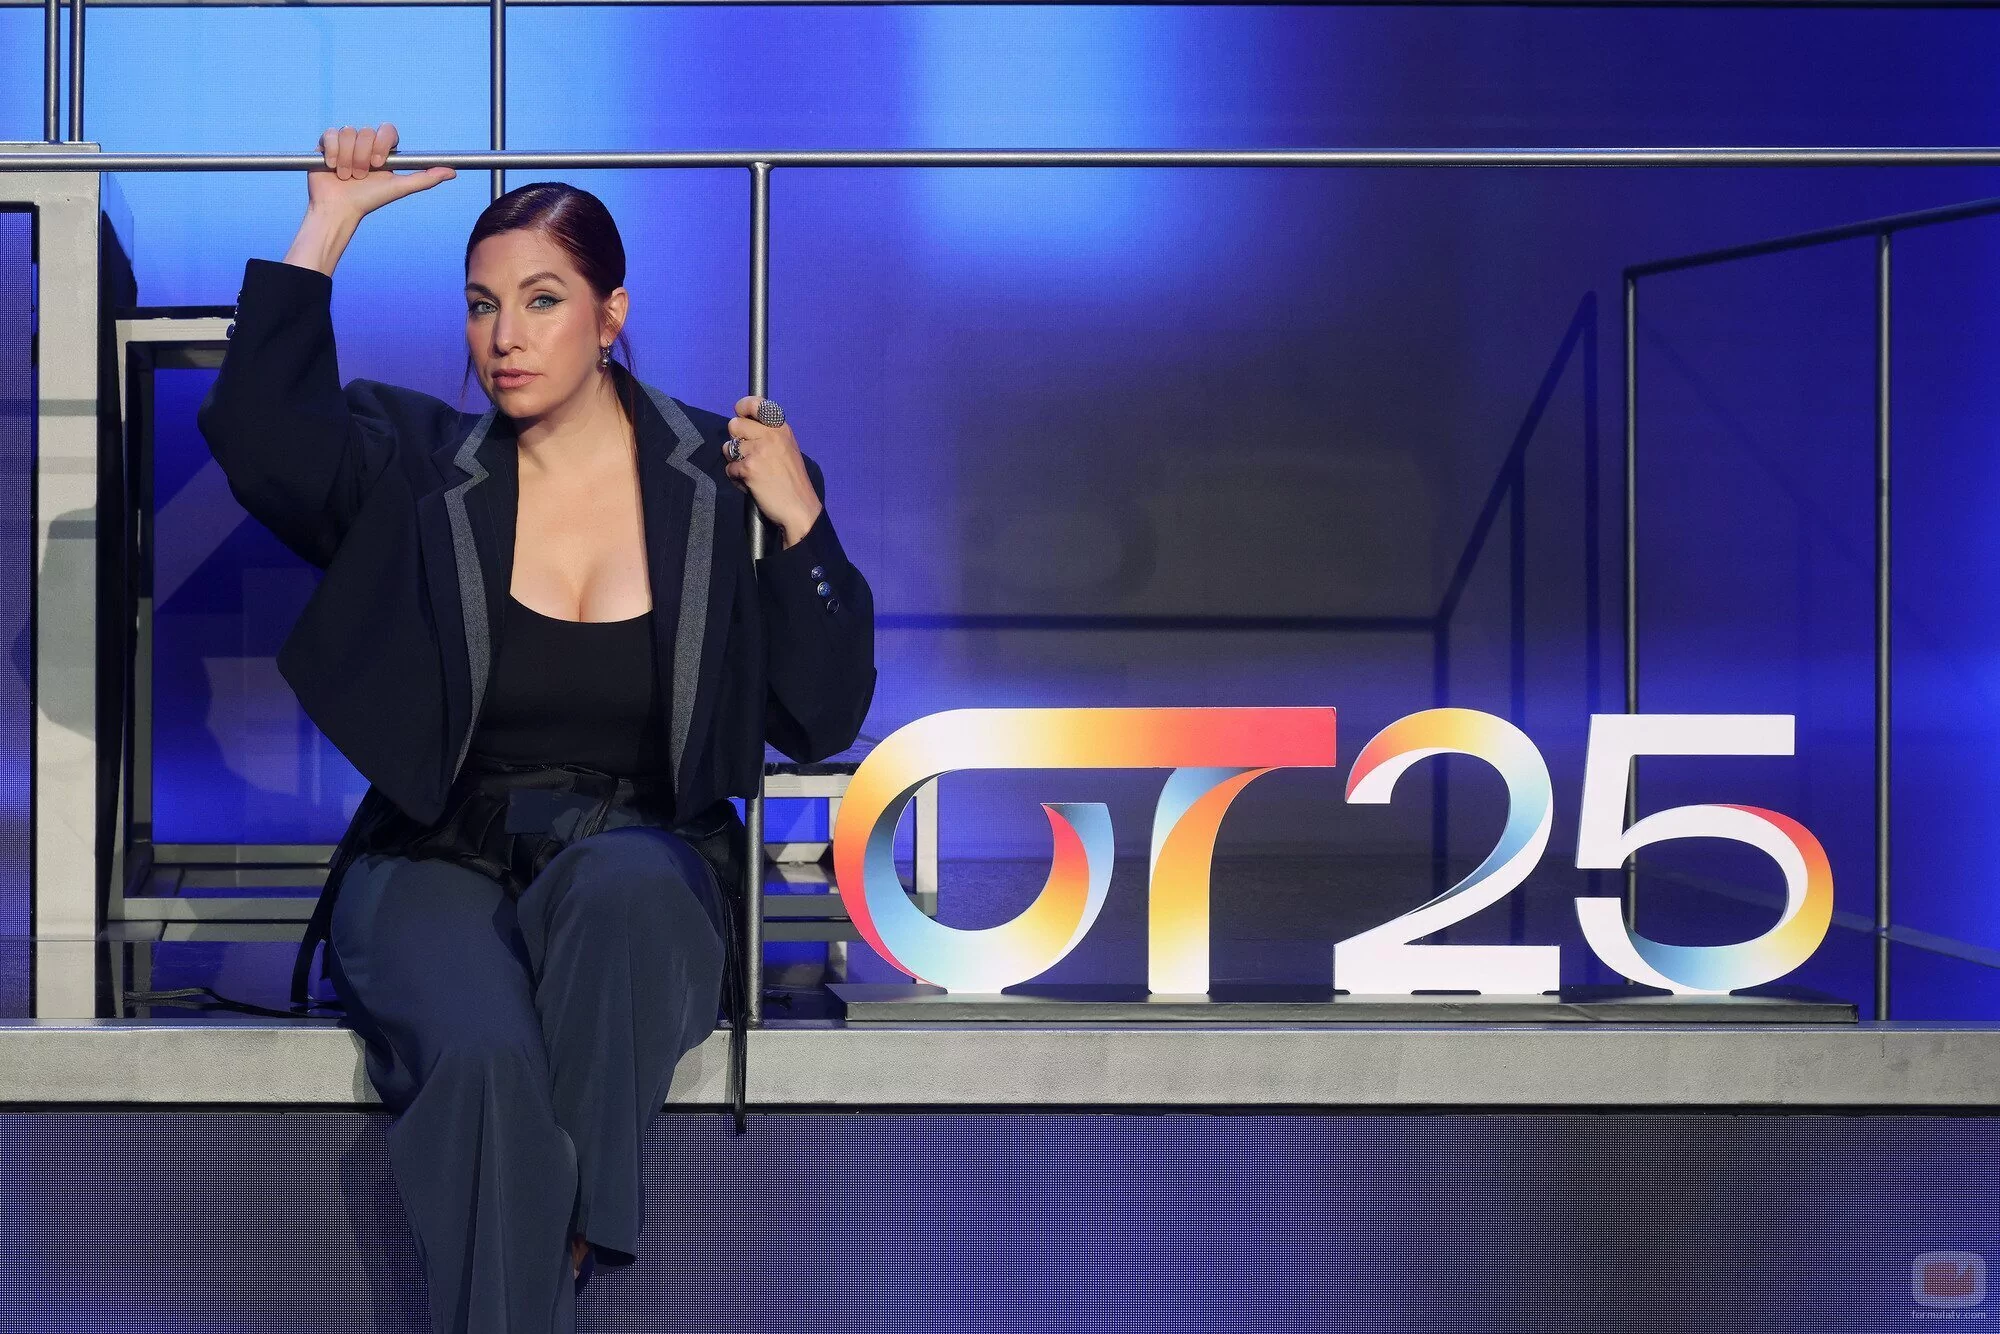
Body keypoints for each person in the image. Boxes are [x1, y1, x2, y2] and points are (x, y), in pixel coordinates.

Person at [195, 122, 876, 1334]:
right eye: (481, 304)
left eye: (542, 299)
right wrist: (328, 221)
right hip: (432, 857)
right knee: (483, 1062)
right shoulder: (419, 466)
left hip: (639, 861)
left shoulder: (723, 481)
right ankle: (558, 1242)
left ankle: (550, 1227)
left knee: (626, 892)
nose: (503, 335)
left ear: (611, 314)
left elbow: (822, 713)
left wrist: (801, 525)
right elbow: (258, 438)